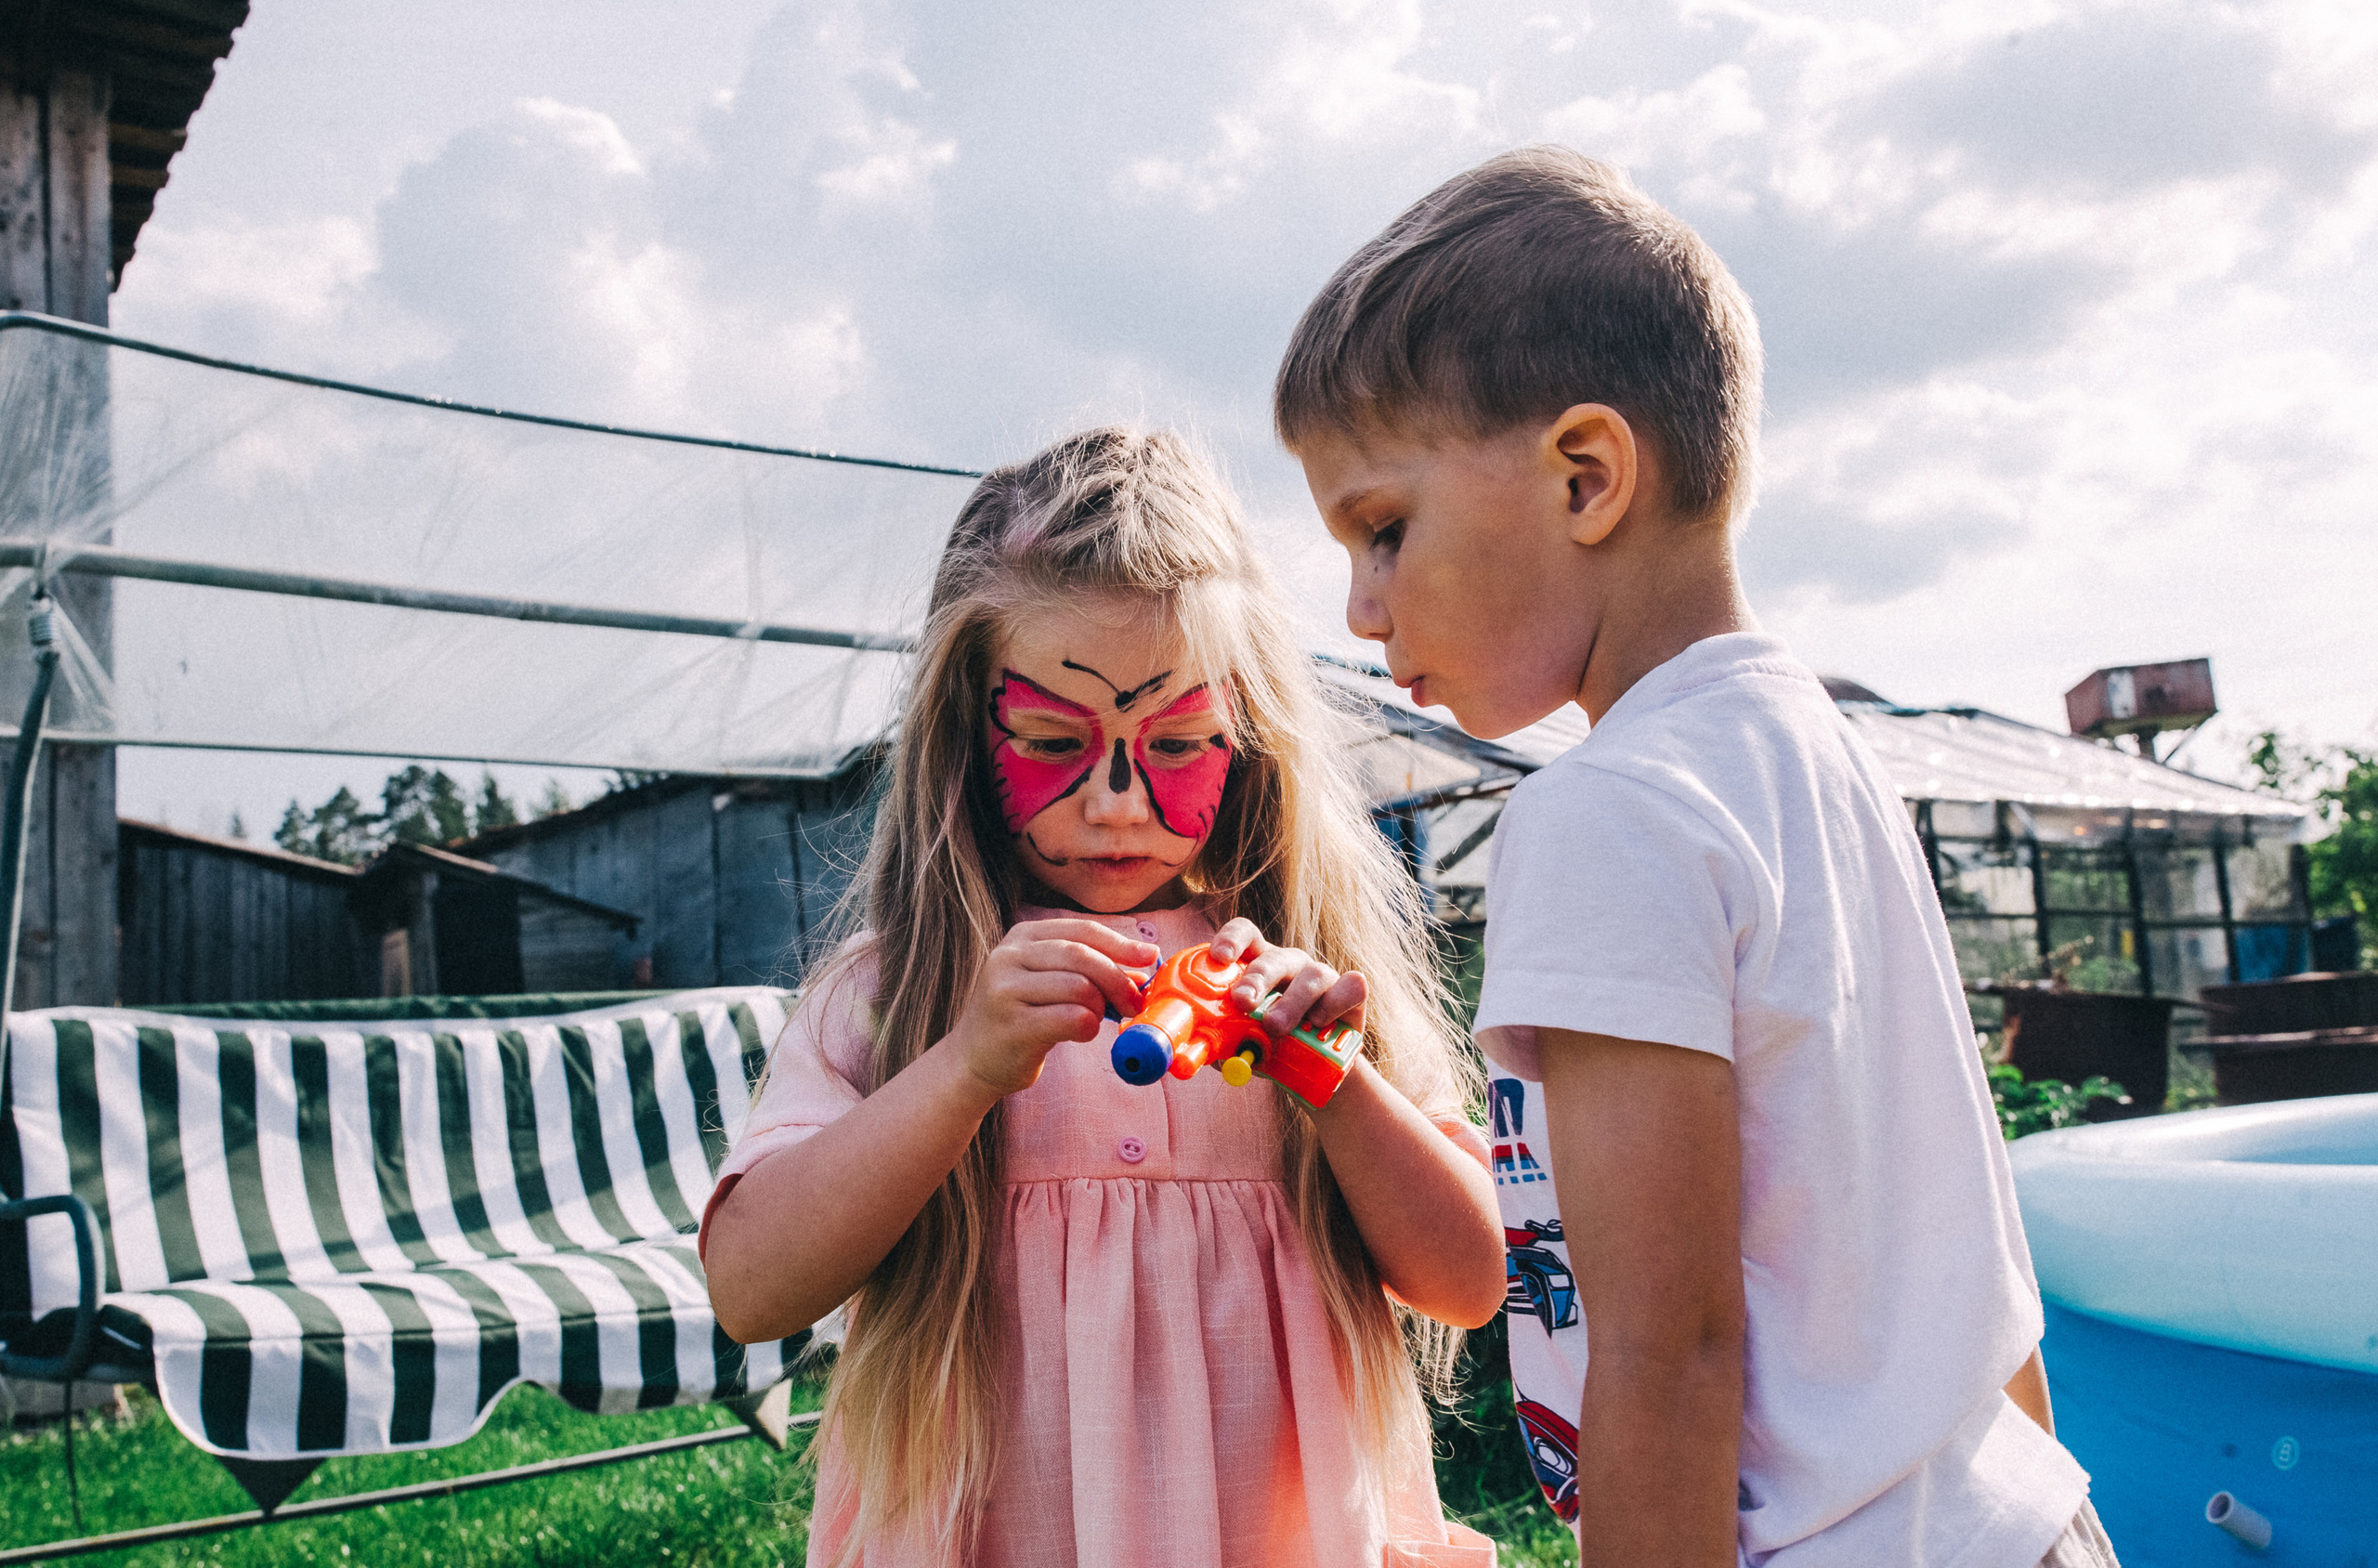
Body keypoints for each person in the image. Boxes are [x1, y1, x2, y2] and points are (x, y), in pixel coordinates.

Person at [1274, 147, 2120, 1568]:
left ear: (1587, 476)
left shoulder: (1611, 810)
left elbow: (1669, 1348)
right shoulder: (1825, 755)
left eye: (1384, 529)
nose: (1361, 609)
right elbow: (1979, 1241)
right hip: (2018, 1510)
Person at [702, 426, 1505, 1568]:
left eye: (1177, 742)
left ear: (1250, 734)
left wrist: (1332, 1081)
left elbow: (1470, 1281)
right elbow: (751, 1289)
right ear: (961, 734)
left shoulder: (1308, 974)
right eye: (1048, 738)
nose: (1119, 801)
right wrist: (963, 1069)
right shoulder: (902, 988)